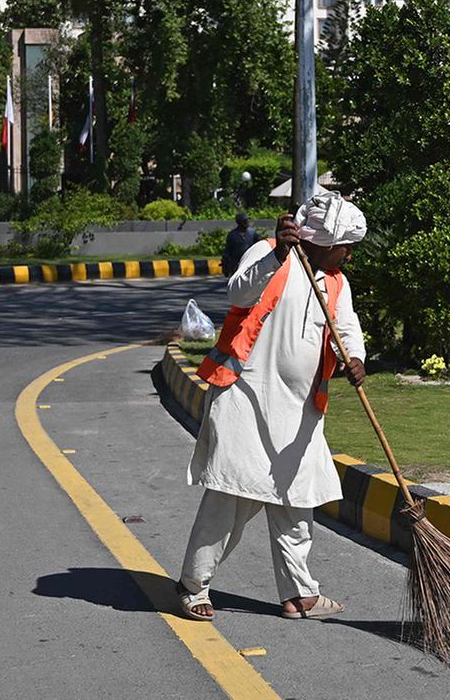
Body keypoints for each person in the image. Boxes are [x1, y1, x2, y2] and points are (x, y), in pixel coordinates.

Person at [178, 189, 368, 622]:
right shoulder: (268, 255)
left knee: (297, 502)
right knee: (231, 499)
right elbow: (238, 293)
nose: (348, 258)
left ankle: (300, 593)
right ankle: (194, 585)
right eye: (344, 249)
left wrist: (354, 358)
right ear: (322, 242)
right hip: (245, 399)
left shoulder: (336, 282)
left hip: (300, 411)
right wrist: (278, 256)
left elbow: (347, 326)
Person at [220, 212, 256, 279]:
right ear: (240, 223)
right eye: (245, 221)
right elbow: (227, 251)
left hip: (250, 263)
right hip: (236, 264)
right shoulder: (232, 235)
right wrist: (225, 265)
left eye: (247, 220)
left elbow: (258, 245)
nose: (247, 222)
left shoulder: (252, 233)